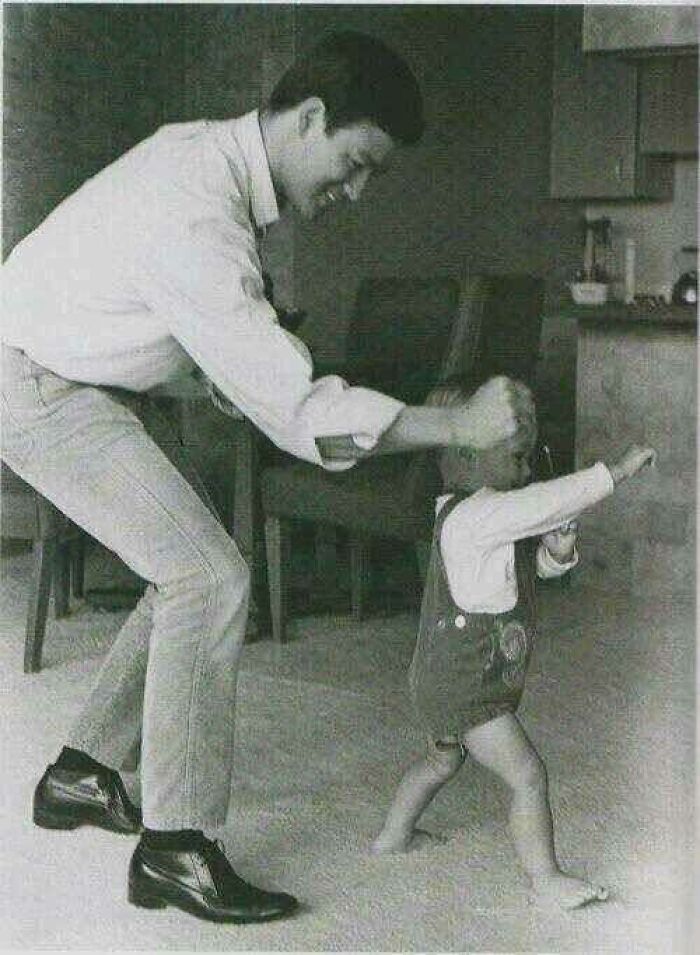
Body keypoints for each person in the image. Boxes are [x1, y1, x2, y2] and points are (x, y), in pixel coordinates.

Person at [1, 31, 533, 924]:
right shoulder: (197, 204)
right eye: (355, 163)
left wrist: (217, 363)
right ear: (311, 118)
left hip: (60, 368)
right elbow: (295, 411)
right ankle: (175, 847)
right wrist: (458, 423)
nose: (355, 191)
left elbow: (146, 303)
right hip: (33, 381)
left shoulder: (205, 165)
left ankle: (83, 773)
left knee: (194, 564)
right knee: (209, 575)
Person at [371, 378, 656, 911]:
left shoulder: (488, 517)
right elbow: (543, 502)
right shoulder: (477, 516)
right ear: (467, 455)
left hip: (444, 677)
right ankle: (545, 879)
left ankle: (393, 836)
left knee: (441, 763)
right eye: (518, 458)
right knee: (528, 774)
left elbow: (526, 575)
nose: (527, 472)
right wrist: (611, 475)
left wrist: (559, 552)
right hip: (465, 685)